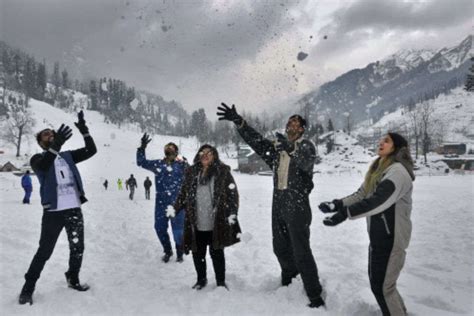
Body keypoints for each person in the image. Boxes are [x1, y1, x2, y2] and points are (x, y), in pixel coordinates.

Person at [217, 103, 324, 308]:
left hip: (298, 205)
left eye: (295, 122)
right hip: (279, 203)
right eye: (288, 122)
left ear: (301, 128)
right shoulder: (277, 151)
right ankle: (290, 282)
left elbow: (304, 162)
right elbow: (257, 141)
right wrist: (240, 122)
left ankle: (315, 295)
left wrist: (290, 147)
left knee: (301, 251)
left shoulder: (306, 146)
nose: (290, 124)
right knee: (280, 248)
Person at [319, 132, 415, 316]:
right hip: (380, 238)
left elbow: (378, 201)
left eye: (387, 141)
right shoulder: (379, 168)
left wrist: (345, 214)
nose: (381, 142)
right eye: (381, 139)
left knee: (384, 288)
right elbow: (362, 194)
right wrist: (337, 204)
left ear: (397, 147)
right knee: (381, 286)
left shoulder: (398, 172)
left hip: (392, 240)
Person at [19, 111, 97, 305]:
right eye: (45, 134)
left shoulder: (67, 156)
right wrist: (56, 144)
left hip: (73, 210)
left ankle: (73, 278)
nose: (50, 134)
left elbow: (91, 150)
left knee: (77, 247)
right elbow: (46, 166)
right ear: (40, 142)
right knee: (44, 251)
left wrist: (84, 131)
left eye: (51, 132)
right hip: (53, 212)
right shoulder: (37, 159)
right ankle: (28, 288)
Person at [170, 144, 241, 289]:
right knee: (198, 253)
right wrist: (175, 208)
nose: (205, 155)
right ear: (199, 155)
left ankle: (220, 282)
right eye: (203, 152)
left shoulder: (222, 172)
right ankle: (201, 280)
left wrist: (232, 212)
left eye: (209, 153)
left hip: (216, 221)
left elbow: (232, 195)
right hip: (196, 221)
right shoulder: (191, 173)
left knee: (217, 253)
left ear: (214, 155)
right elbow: (183, 194)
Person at [136, 134, 188, 262]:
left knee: (178, 231)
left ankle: (180, 253)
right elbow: (141, 162)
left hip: (177, 204)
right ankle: (168, 251)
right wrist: (142, 148)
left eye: (172, 149)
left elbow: (194, 175)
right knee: (159, 228)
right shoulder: (158, 164)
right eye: (167, 149)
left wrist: (187, 163)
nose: (169, 151)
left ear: (176, 152)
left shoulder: (182, 166)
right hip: (161, 204)